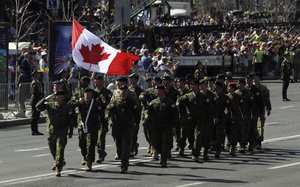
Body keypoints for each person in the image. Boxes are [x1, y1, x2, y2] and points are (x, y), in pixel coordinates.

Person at [36, 91, 74, 177]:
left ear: (63, 97)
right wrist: (45, 99)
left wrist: (70, 131)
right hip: (52, 132)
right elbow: (38, 107)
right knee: (53, 149)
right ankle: (59, 161)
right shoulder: (50, 105)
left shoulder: (67, 106)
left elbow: (70, 120)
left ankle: (58, 168)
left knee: (60, 149)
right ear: (55, 97)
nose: (59, 97)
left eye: (61, 96)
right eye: (57, 96)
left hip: (62, 131)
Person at [105, 85, 140, 173]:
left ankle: (124, 165)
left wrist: (136, 123)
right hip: (117, 127)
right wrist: (107, 115)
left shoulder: (131, 102)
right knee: (119, 147)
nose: (123, 92)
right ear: (119, 91)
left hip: (127, 127)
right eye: (121, 90)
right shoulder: (115, 102)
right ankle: (122, 158)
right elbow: (108, 109)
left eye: (125, 90)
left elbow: (137, 113)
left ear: (127, 92)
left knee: (126, 146)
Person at [69, 87, 104, 171]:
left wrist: (102, 125)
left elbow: (101, 114)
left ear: (92, 95)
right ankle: (85, 156)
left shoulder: (95, 103)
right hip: (82, 127)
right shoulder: (81, 103)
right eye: (85, 93)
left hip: (93, 127)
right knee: (82, 145)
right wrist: (77, 102)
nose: (87, 95)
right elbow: (69, 106)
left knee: (90, 145)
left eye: (89, 93)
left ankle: (89, 163)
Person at [146, 85, 177, 167]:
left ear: (162, 91)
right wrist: (146, 116)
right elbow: (148, 112)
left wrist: (174, 126)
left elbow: (174, 115)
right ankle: (161, 153)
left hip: (166, 127)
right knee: (155, 143)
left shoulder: (170, 102)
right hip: (156, 127)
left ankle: (163, 160)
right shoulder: (153, 102)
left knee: (165, 143)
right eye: (156, 91)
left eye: (158, 90)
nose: (156, 92)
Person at [94, 75, 112, 163]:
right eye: (95, 80)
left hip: (103, 117)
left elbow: (110, 105)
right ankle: (101, 152)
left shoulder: (107, 92)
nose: (96, 82)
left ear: (102, 82)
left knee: (101, 136)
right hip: (94, 118)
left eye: (98, 80)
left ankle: (100, 154)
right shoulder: (93, 92)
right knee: (94, 137)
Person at [253, 73, 271, 150]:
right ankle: (252, 142)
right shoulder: (249, 87)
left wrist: (268, 108)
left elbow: (267, 99)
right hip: (251, 111)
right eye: (254, 78)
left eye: (256, 77)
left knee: (260, 127)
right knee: (252, 127)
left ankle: (259, 142)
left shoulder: (263, 88)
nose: (255, 79)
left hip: (260, 110)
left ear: (259, 78)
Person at [128, 73, 143, 157]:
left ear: (136, 80)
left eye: (133, 78)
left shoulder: (140, 91)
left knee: (134, 133)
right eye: (130, 79)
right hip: (127, 115)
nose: (131, 80)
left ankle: (133, 146)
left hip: (135, 115)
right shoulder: (127, 90)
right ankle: (130, 148)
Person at [30, 69, 44, 135]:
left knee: (37, 116)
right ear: (35, 75)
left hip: (37, 100)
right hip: (35, 101)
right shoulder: (34, 83)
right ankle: (34, 131)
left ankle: (36, 130)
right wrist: (40, 96)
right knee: (34, 116)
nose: (39, 75)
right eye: (38, 74)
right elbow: (35, 93)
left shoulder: (37, 82)